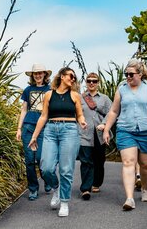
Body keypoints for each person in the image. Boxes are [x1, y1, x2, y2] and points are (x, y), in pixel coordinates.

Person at [102, 59, 147, 211]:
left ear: (140, 74)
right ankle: (129, 198)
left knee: (145, 165)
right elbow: (114, 111)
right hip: (125, 130)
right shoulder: (122, 89)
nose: (128, 77)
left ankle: (144, 188)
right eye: (126, 74)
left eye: (131, 74)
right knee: (129, 162)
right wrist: (106, 129)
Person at [29, 67, 87, 217]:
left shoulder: (75, 96)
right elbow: (43, 116)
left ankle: (64, 202)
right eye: (70, 76)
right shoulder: (49, 94)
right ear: (62, 76)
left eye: (74, 77)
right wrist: (34, 136)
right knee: (46, 167)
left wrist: (82, 122)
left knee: (66, 169)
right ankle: (56, 188)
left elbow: (79, 115)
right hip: (50, 130)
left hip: (69, 130)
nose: (72, 79)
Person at [16, 63, 53, 201]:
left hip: (44, 127)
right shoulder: (27, 90)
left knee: (41, 159)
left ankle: (48, 180)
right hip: (28, 127)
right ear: (32, 75)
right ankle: (33, 189)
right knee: (29, 161)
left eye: (40, 73)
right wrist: (19, 128)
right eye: (35, 73)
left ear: (45, 74)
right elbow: (24, 109)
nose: (38, 75)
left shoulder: (50, 90)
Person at [79, 72, 112, 200]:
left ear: (98, 83)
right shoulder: (80, 98)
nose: (91, 83)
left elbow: (111, 113)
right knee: (86, 160)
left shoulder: (104, 98)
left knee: (99, 160)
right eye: (89, 81)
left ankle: (96, 183)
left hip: (100, 133)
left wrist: (104, 125)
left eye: (94, 81)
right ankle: (85, 188)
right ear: (86, 83)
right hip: (84, 133)